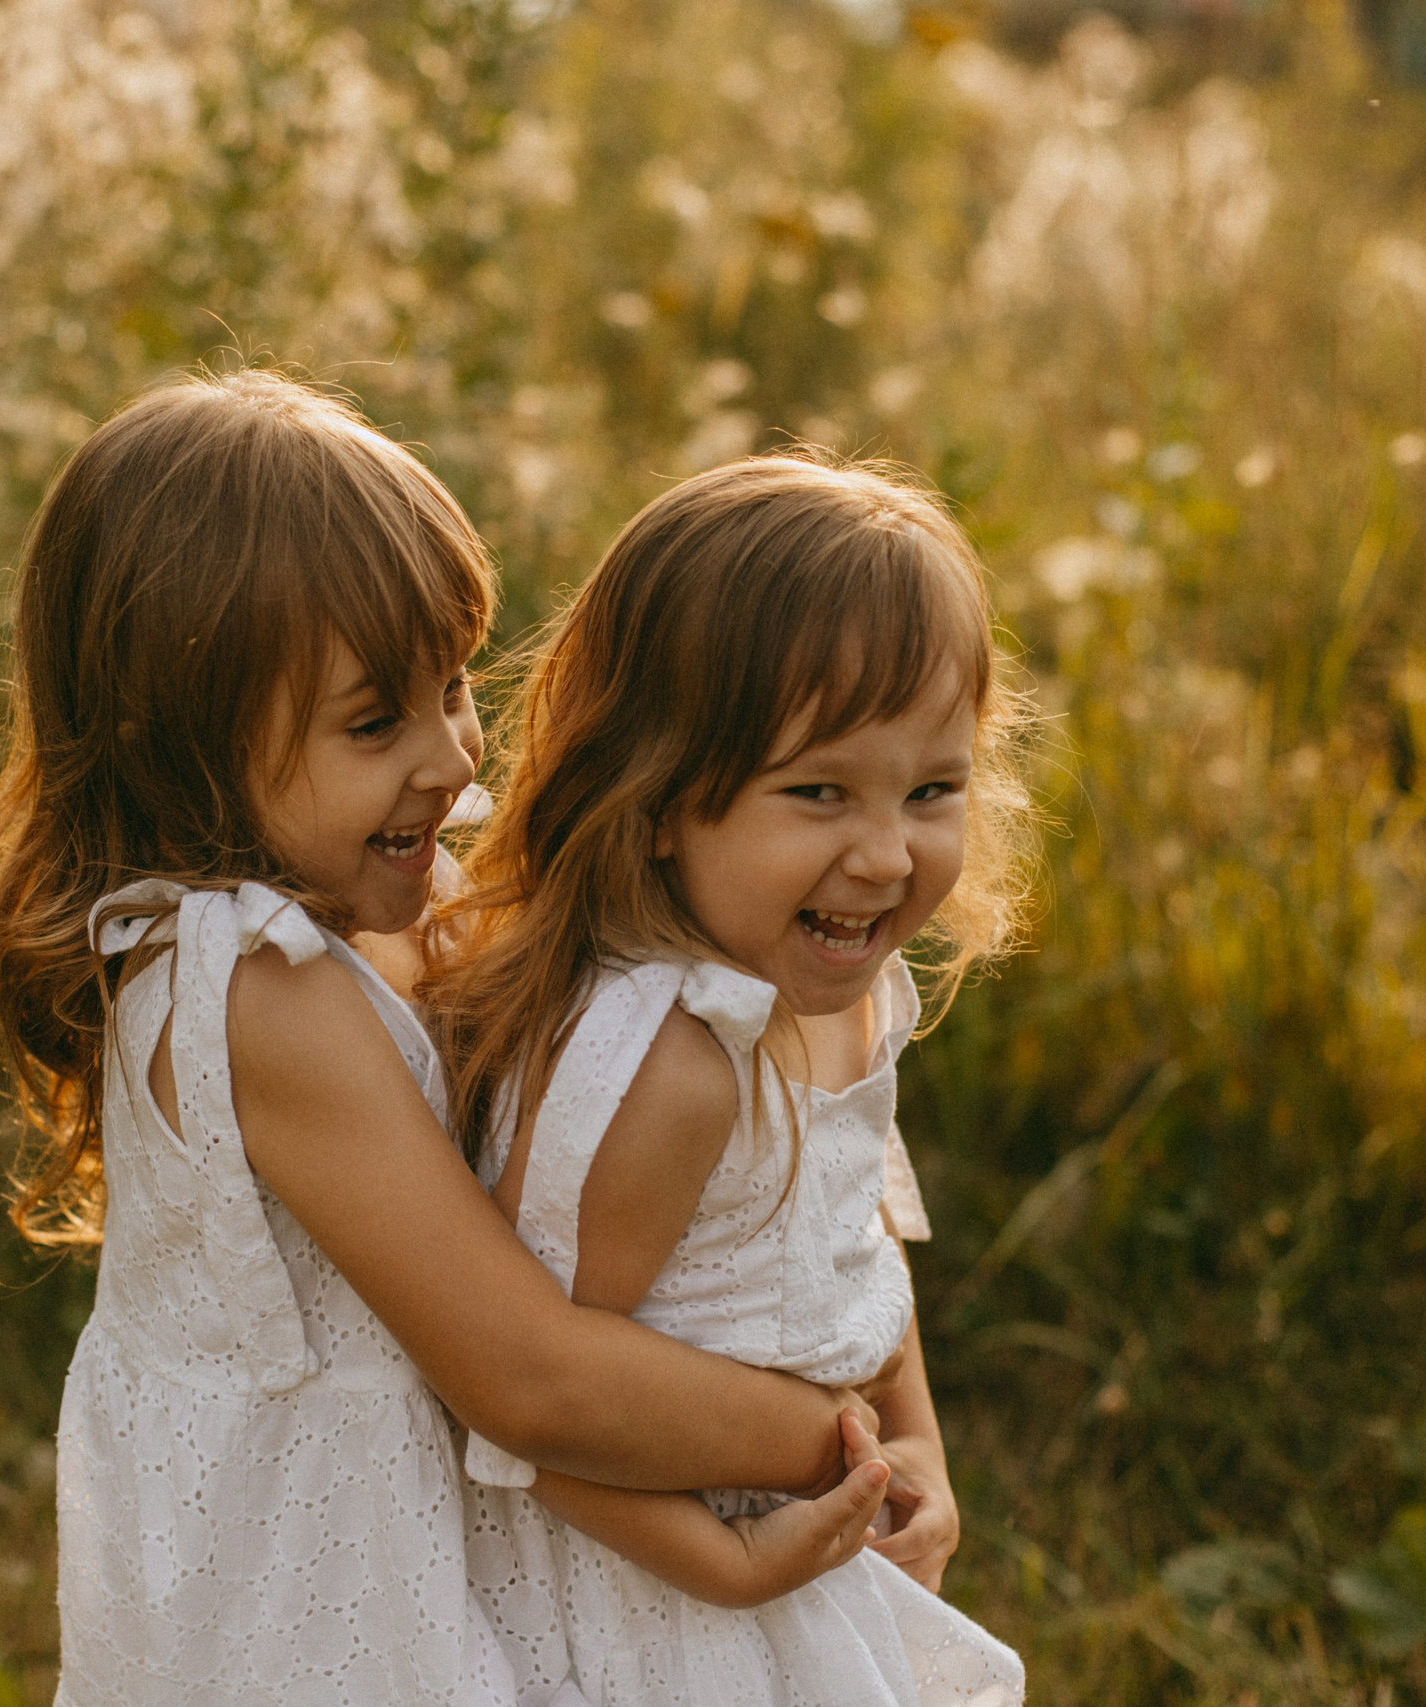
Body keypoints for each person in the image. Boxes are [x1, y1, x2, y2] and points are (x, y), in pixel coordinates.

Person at [0, 373, 896, 1707]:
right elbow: (527, 1373)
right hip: (310, 1591)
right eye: (373, 719)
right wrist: (842, 1441)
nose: (453, 753)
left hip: (430, 1541)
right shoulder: (243, 984)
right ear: (175, 739)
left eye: (454, 684)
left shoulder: (392, 892)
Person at [424, 454, 1036, 1707]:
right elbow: (523, 1413)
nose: (882, 854)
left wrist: (914, 1436)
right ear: (657, 798)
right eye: (818, 793)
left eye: (932, 790)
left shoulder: (841, 985)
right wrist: (717, 1564)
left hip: (796, 1540)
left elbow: (854, 1224)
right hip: (647, 1597)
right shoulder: (668, 1066)